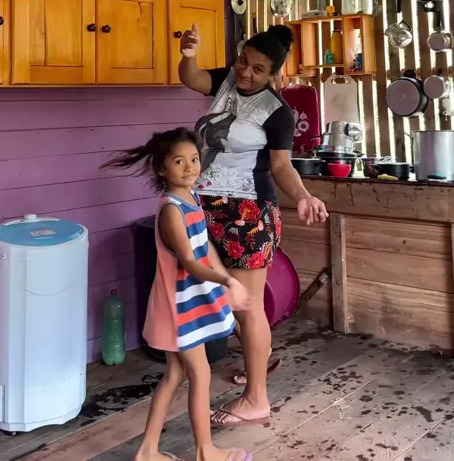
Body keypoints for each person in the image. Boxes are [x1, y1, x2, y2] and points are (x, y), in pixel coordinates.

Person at [178, 23, 329, 427]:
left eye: (258, 69)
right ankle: (257, 364)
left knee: (246, 305)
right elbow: (192, 78)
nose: (245, 72)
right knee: (225, 298)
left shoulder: (277, 112)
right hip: (207, 206)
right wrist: (189, 55)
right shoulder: (228, 80)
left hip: (247, 213)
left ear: (274, 74)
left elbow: (281, 166)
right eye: (244, 61)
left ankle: (256, 399)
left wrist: (303, 196)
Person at [106, 128, 252, 461]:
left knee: (174, 375)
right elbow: (189, 262)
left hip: (189, 301)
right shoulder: (172, 210)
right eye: (178, 161)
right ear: (161, 168)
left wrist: (227, 282)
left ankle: (147, 452)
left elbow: (206, 249)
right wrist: (226, 282)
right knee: (200, 373)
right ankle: (205, 452)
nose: (189, 168)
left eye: (194, 159)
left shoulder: (191, 199)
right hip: (178, 305)